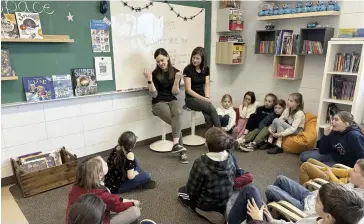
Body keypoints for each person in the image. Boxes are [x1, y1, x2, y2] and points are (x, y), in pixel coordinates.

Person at [177, 127, 235, 224]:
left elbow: (192, 190)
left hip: (207, 203)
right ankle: (222, 209)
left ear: (206, 144)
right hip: (226, 197)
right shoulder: (230, 156)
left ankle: (202, 211)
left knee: (181, 192)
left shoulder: (201, 162)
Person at [265, 159, 364, 215]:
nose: (351, 171)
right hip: (312, 195)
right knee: (281, 179)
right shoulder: (354, 183)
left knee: (270, 189)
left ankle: (273, 210)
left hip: (308, 208)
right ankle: (277, 209)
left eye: (354, 171)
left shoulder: (355, 201)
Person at [143, 48, 188, 164]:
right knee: (175, 122)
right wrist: (149, 80)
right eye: (158, 62)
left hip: (172, 100)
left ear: (167, 57)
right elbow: (154, 94)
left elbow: (175, 93)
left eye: (162, 60)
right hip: (158, 102)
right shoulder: (154, 74)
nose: (160, 63)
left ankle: (176, 145)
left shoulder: (176, 72)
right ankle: (181, 151)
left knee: (177, 114)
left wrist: (177, 80)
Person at [66, 156, 141, 224]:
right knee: (135, 211)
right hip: (96, 220)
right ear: (100, 175)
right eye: (104, 164)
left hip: (76, 220)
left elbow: (113, 200)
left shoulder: (74, 187)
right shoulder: (100, 194)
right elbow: (117, 206)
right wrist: (133, 203)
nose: (105, 162)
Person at [244, 182, 364, 224]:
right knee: (251, 192)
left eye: (318, 200)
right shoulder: (320, 218)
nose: (316, 196)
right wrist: (273, 221)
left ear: (328, 217)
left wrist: (258, 221)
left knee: (251, 191)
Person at [300, 111, 364, 167]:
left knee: (320, 168)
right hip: (333, 156)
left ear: (346, 124)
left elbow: (362, 157)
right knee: (303, 156)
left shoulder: (354, 135)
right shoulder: (334, 131)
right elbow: (322, 150)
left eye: (336, 120)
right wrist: (325, 136)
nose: (332, 122)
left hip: (346, 164)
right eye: (333, 119)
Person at [184, 47, 220, 129]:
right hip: (191, 99)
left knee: (208, 117)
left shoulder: (206, 69)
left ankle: (210, 139)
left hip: (203, 98)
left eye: (197, 58)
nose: (195, 60)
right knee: (211, 108)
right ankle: (221, 134)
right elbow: (188, 90)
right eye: (193, 58)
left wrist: (206, 97)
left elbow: (207, 84)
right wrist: (204, 99)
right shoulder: (187, 70)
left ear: (202, 59)